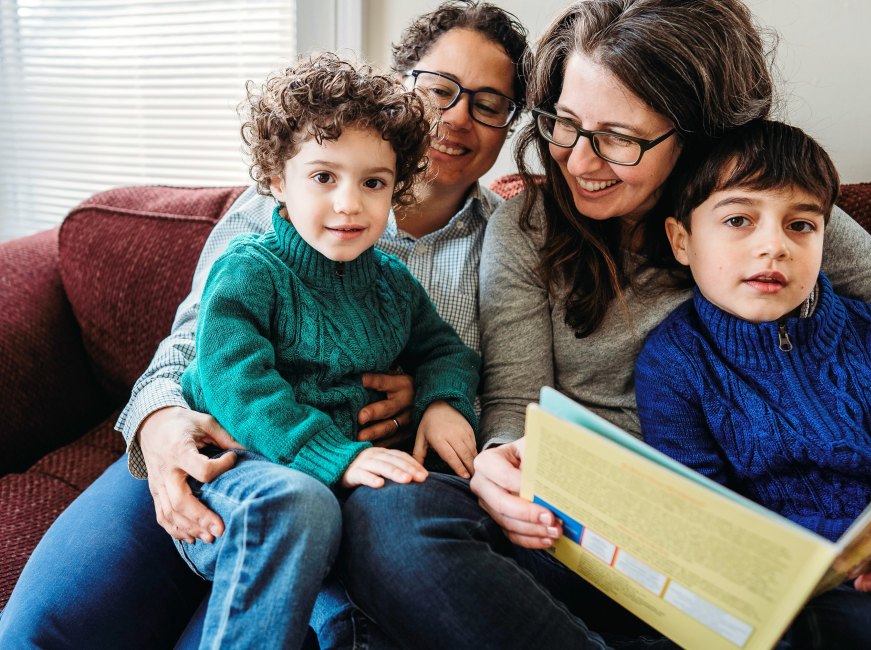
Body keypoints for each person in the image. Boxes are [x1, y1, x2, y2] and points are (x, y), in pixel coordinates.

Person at [338, 0, 871, 648]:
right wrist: (501, 462)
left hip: (737, 533)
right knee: (390, 517)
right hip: (579, 529)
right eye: (565, 124)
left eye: (619, 139)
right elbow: (513, 404)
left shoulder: (768, 210)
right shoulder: (527, 227)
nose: (579, 160)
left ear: (696, 135)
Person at [0, 2, 529, 648]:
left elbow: (476, 371)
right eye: (439, 88)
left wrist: (437, 399)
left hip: (340, 487)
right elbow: (207, 347)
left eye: (488, 101)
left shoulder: (500, 242)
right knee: (33, 633)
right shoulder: (273, 226)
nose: (455, 115)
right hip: (230, 446)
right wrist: (159, 419)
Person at [173, 52, 482, 648]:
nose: (349, 203)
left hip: (339, 491)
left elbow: (446, 350)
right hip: (241, 482)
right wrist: (330, 454)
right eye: (323, 177)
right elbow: (236, 383)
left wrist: (442, 401)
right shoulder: (250, 271)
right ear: (274, 179)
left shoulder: (394, 284)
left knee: (351, 627)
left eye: (374, 183)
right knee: (300, 505)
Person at [634, 119, 871, 642]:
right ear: (681, 240)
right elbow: (703, 517)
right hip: (806, 596)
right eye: (739, 219)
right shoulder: (674, 364)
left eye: (800, 225)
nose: (774, 247)